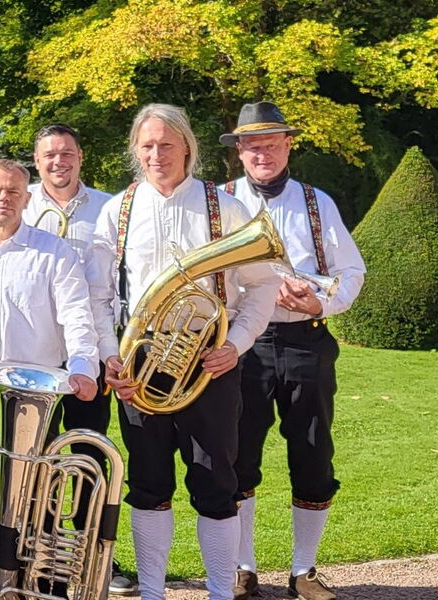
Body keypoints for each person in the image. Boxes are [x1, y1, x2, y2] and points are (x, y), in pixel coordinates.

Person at [87, 103, 280, 600]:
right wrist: (112, 354)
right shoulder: (118, 209)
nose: (156, 154)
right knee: (149, 484)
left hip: (210, 364)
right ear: (135, 150)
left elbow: (260, 287)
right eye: (147, 145)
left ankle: (220, 591)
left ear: (188, 148)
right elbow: (98, 294)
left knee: (216, 482)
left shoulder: (226, 207)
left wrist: (235, 346)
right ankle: (153, 592)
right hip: (138, 365)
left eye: (166, 144)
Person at [220, 102, 366, 600]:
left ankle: (304, 571)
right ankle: (243, 568)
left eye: (271, 143)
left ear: (288, 145)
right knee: (238, 455)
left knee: (312, 452)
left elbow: (352, 271)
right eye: (252, 144)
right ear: (239, 151)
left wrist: (318, 297)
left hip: (306, 339)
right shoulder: (219, 203)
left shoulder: (317, 202)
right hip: (245, 344)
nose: (262, 152)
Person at [0, 158, 100, 557]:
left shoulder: (54, 252)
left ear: (27, 198)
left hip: (38, 390)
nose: (3, 199)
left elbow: (77, 316)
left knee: (41, 494)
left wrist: (83, 368)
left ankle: (46, 581)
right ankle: (6, 580)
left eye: (13, 191)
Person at [22, 125, 136, 593]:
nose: (58, 162)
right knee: (39, 465)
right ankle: (45, 560)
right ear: (36, 159)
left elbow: (117, 286)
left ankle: (95, 559)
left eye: (67, 153)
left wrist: (108, 352)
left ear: (81, 156)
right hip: (39, 358)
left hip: (92, 353)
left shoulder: (109, 208)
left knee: (90, 456)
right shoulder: (20, 204)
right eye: (49, 155)